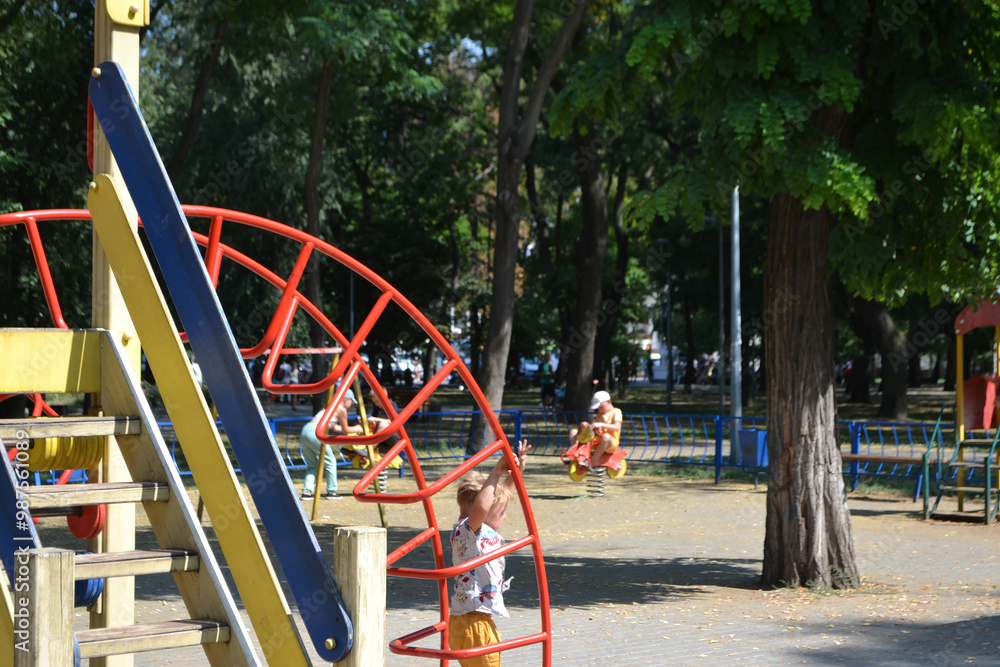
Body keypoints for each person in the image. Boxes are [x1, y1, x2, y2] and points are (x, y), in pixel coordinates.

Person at [449, 441, 531, 666]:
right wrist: (495, 473)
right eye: (501, 512)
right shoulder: (469, 530)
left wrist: (517, 470)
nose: (505, 515)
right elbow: (483, 507)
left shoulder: (478, 528)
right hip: (474, 623)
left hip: (472, 621)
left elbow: (500, 498)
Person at [568, 390, 622, 468]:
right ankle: (575, 455)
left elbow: (617, 427)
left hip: (610, 443)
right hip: (596, 441)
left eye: (601, 407)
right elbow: (596, 428)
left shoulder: (616, 412)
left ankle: (592, 461)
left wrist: (601, 424)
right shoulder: (601, 414)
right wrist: (587, 426)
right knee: (573, 431)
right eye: (598, 408)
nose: (599, 410)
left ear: (608, 401)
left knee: (606, 437)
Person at [300, 410, 341, 500]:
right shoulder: (341, 409)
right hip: (316, 431)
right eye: (352, 403)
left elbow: (336, 428)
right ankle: (332, 491)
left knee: (312, 465)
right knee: (331, 461)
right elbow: (346, 429)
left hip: (306, 429)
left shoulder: (329, 407)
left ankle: (307, 492)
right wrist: (359, 428)